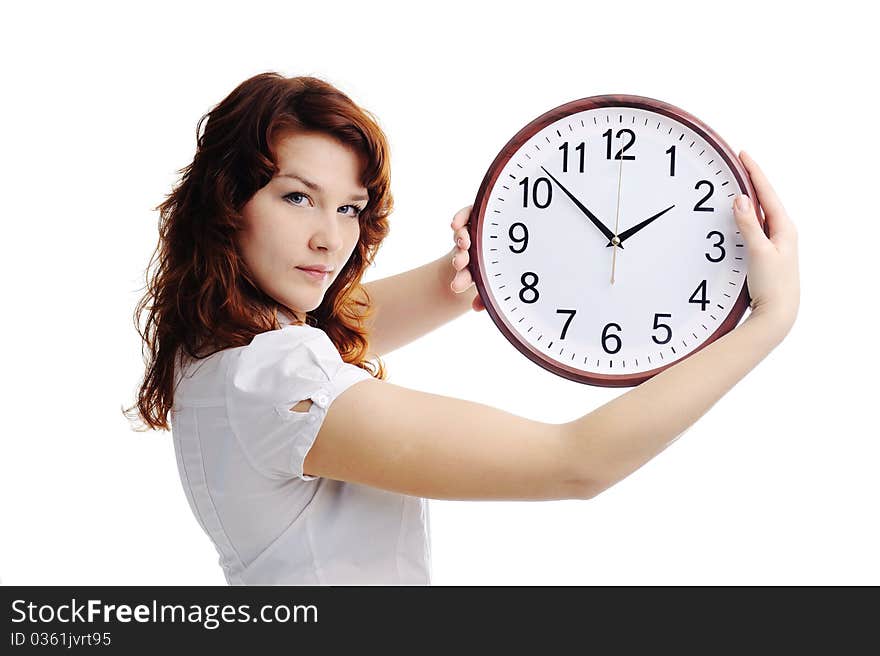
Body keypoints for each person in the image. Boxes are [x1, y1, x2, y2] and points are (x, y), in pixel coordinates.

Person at [124, 72, 800, 585]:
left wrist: (474, 272)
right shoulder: (275, 378)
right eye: (296, 197)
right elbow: (575, 464)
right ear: (227, 202)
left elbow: (341, 329)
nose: (329, 239)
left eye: (351, 208)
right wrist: (768, 324)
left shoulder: (218, 345)